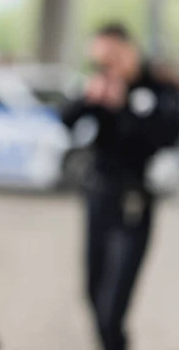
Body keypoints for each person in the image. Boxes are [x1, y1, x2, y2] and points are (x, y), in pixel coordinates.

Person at [62, 23, 179, 350]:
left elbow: (165, 135)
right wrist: (91, 98)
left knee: (112, 311)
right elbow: (65, 119)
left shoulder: (158, 86)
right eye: (99, 61)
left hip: (133, 206)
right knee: (92, 295)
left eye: (112, 58)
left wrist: (123, 106)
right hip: (97, 198)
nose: (106, 67)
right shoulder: (99, 84)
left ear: (129, 50)